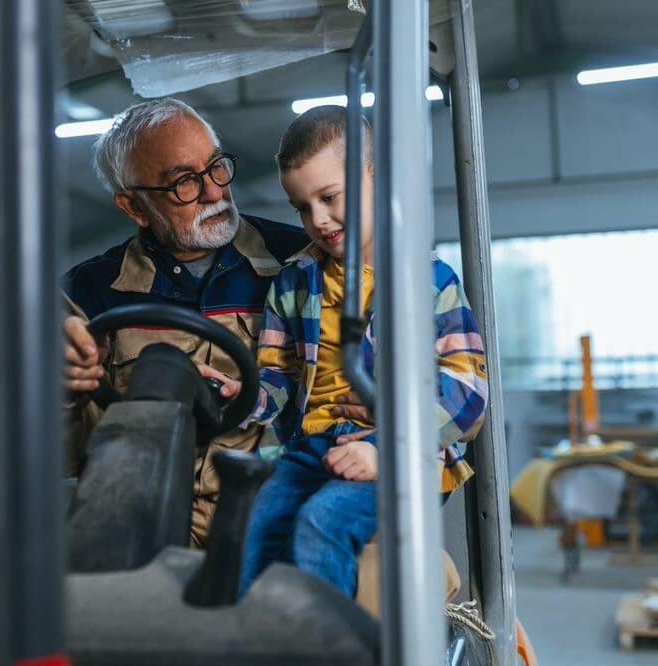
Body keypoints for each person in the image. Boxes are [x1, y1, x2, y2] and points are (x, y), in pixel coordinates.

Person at [206, 105, 489, 598]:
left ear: (373, 174)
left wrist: (387, 447)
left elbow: (467, 393)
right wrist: (244, 394)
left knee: (322, 522)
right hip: (311, 446)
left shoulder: (430, 281)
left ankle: (330, 647)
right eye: (301, 206)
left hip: (398, 452)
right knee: (255, 524)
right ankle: (262, 643)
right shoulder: (294, 281)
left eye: (330, 197)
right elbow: (277, 374)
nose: (317, 219)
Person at [62, 98, 354, 547]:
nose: (215, 192)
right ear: (134, 207)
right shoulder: (88, 295)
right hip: (144, 536)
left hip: (277, 527)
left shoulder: (303, 265)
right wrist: (66, 393)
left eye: (217, 167)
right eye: (184, 183)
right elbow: (60, 457)